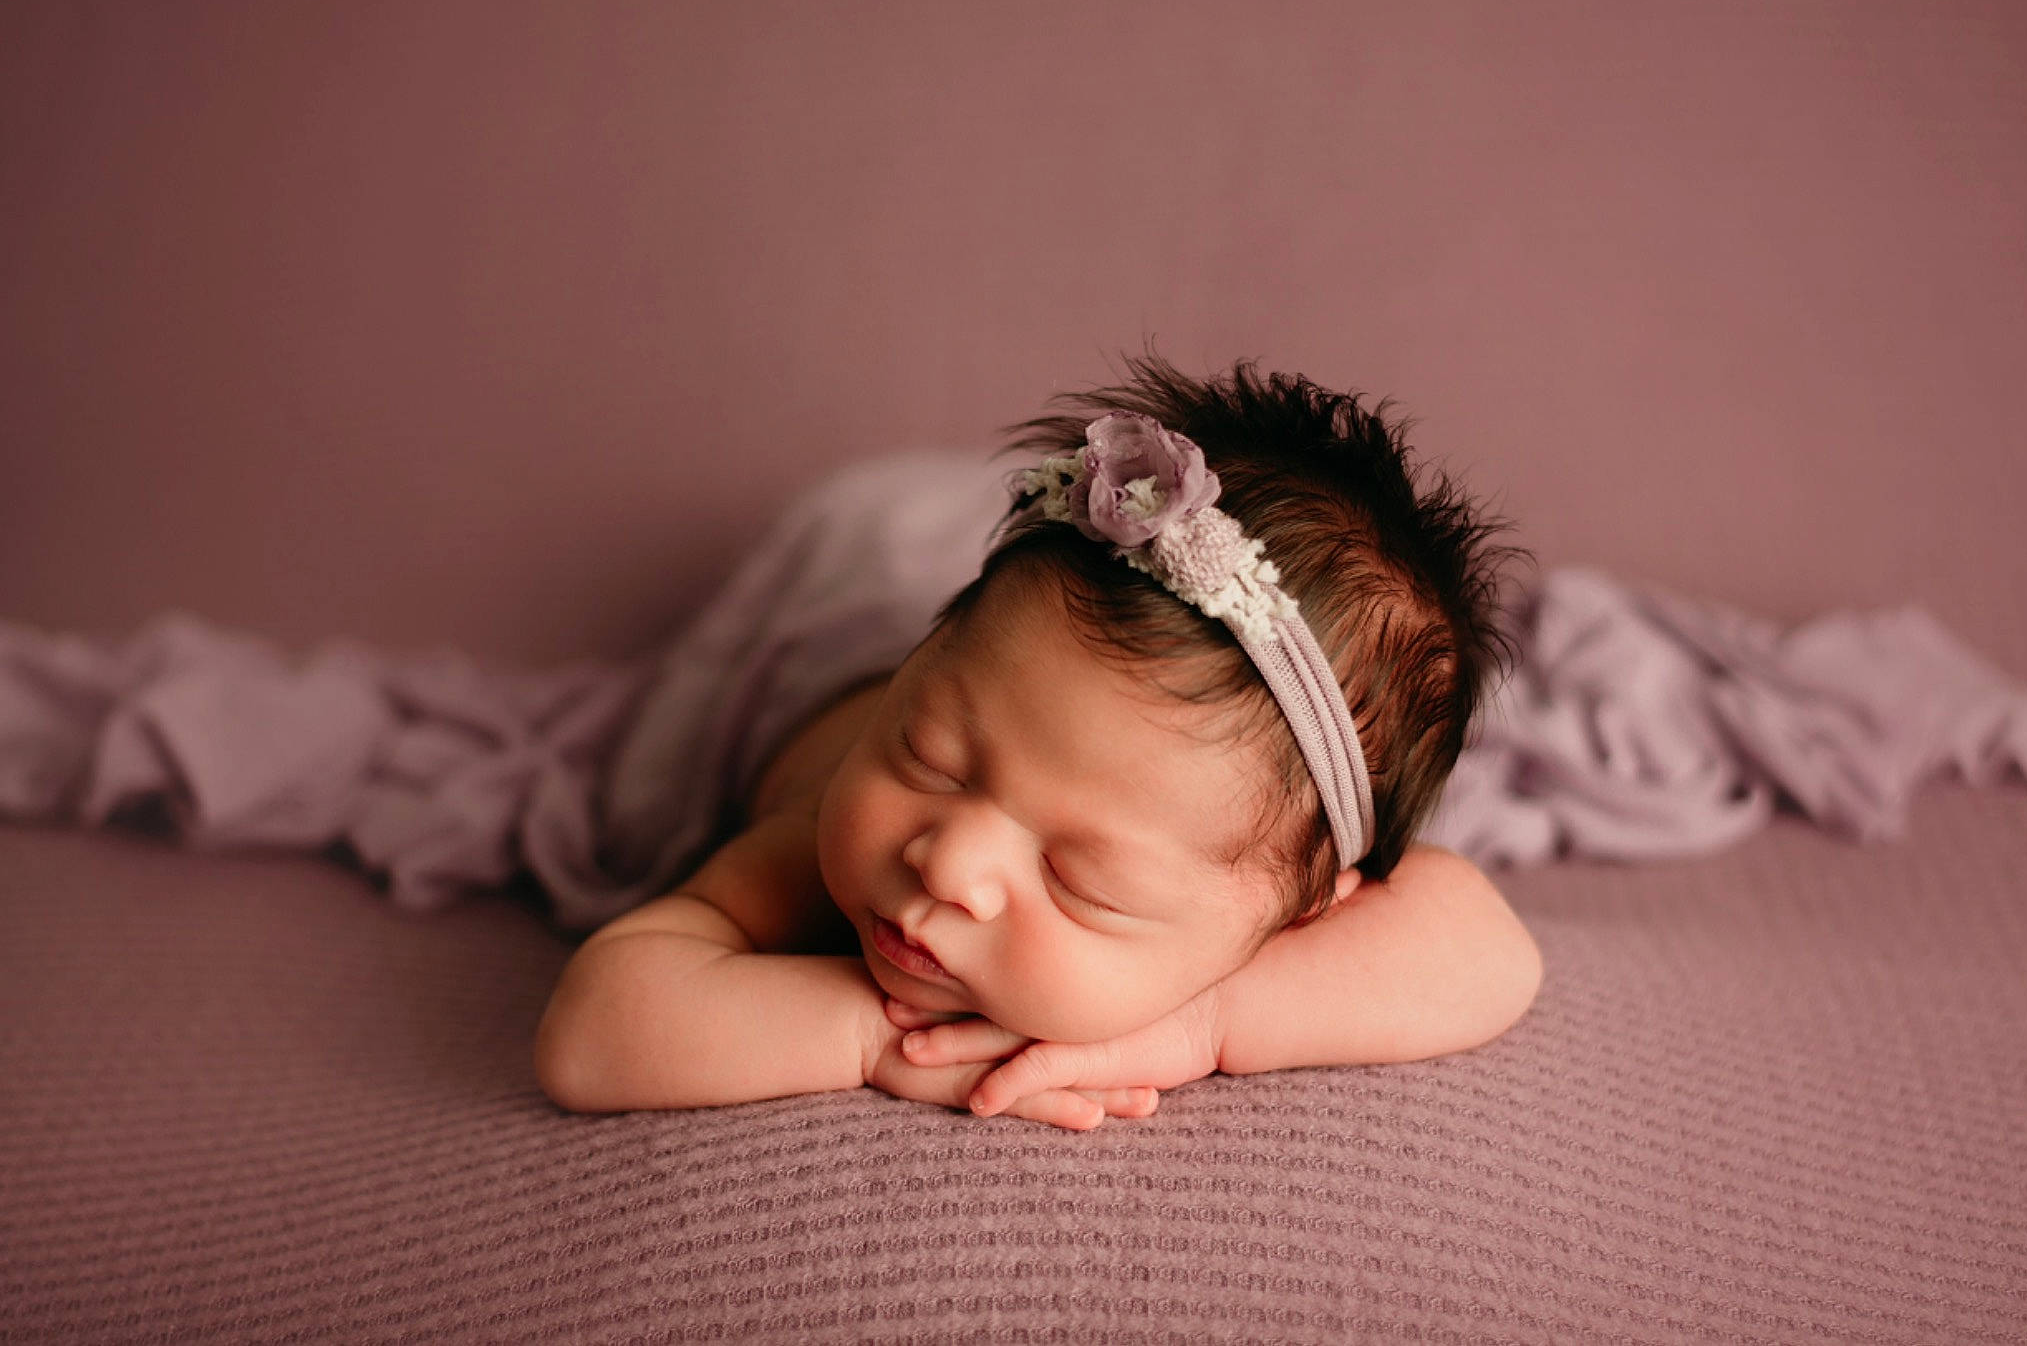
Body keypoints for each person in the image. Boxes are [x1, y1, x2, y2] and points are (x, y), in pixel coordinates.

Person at [534, 353, 1542, 1129]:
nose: (946, 860)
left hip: (1022, 640)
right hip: (826, 621)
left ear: (1303, 910)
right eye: (927, 755)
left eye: (1079, 876)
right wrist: (864, 1037)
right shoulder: (823, 839)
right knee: (884, 539)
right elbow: (593, 1031)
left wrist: (1205, 1021)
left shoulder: (1267, 863)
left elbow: (1490, 950)